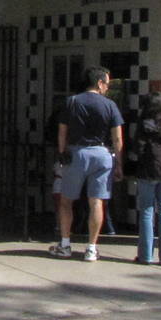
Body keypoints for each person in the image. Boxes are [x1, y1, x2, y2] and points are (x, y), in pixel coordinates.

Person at [50, 66, 124, 261]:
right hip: (102, 154)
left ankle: (65, 244)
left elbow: (62, 131)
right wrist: (119, 164)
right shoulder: (110, 106)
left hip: (77, 153)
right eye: (107, 84)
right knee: (96, 201)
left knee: (66, 200)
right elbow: (117, 139)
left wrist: (62, 152)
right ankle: (91, 248)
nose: (107, 87)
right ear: (99, 83)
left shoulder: (72, 102)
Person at [129, 92, 161, 265]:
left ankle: (145, 255)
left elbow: (137, 149)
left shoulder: (144, 125)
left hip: (148, 172)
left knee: (147, 213)